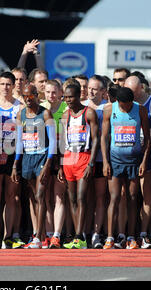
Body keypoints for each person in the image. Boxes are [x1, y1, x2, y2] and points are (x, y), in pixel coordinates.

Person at [101, 87, 150, 249]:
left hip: (134, 160)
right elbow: (104, 138)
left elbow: (148, 139)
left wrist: (143, 162)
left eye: (129, 105)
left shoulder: (140, 110)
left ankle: (131, 237)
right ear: (117, 102)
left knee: (132, 197)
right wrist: (105, 162)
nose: (126, 108)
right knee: (114, 197)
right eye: (123, 106)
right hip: (115, 160)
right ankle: (110, 237)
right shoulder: (109, 110)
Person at [11, 84, 56, 248]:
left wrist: (48, 163)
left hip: (43, 156)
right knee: (33, 197)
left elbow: (53, 141)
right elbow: (19, 142)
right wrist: (16, 164)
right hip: (27, 158)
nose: (28, 100)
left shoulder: (45, 113)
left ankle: (39, 236)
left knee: (40, 195)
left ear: (37, 95)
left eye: (30, 96)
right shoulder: (20, 114)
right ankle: (40, 234)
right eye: (24, 97)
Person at [59, 84, 99, 249]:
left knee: (82, 197)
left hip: (84, 158)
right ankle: (79, 236)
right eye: (66, 97)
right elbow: (62, 142)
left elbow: (96, 138)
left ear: (78, 96)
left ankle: (79, 236)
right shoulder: (65, 115)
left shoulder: (89, 112)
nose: (68, 100)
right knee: (72, 198)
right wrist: (61, 165)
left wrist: (91, 163)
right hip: (68, 159)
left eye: (71, 97)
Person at [0, 72, 23, 248]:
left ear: (14, 85)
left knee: (11, 196)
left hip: (12, 154)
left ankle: (8, 236)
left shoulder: (20, 106)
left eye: (9, 84)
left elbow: (23, 134)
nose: (5, 87)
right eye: (3, 84)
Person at [125, 75, 151, 248]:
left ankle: (144, 233)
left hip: (147, 155)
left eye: (132, 92)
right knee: (130, 196)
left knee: (147, 196)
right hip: (128, 156)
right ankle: (128, 234)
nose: (128, 95)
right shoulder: (123, 103)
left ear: (141, 89)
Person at [40, 80, 67, 249]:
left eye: (54, 92)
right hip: (43, 156)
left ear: (60, 92)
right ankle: (48, 235)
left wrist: (62, 162)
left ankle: (57, 234)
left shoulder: (66, 109)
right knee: (45, 197)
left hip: (61, 155)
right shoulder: (41, 107)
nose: (51, 95)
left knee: (59, 196)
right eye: (48, 92)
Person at [84, 75, 108, 248]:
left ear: (103, 91)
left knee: (100, 197)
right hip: (83, 159)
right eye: (89, 88)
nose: (90, 91)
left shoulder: (110, 107)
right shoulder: (82, 106)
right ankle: (83, 232)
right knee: (85, 197)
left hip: (101, 159)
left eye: (94, 89)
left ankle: (96, 234)